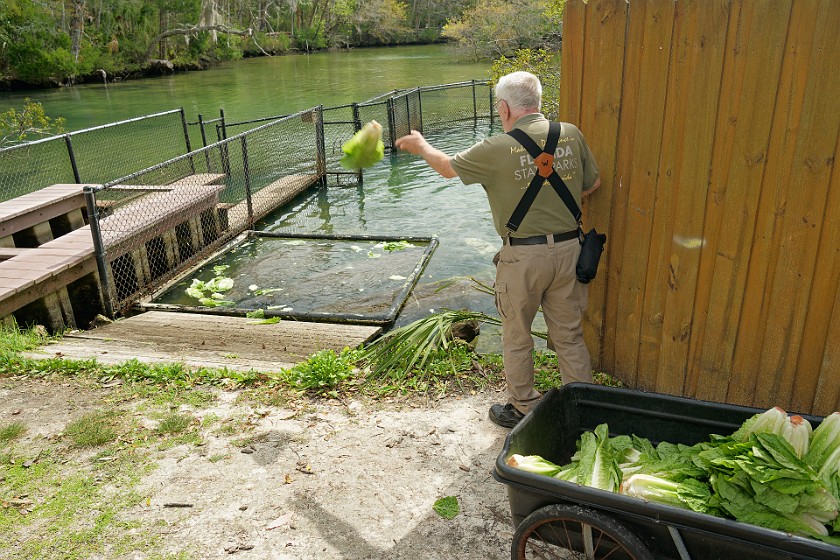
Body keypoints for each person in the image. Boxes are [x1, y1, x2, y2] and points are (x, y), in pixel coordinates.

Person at [395, 71, 601, 428]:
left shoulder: (495, 148)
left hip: (522, 257)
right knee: (569, 334)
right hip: (571, 251)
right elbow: (593, 183)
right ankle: (583, 407)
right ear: (537, 101)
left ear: (504, 108)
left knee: (518, 335)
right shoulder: (570, 133)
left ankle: (523, 406)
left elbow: (446, 169)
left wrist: (420, 145)